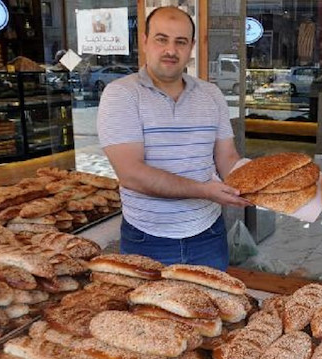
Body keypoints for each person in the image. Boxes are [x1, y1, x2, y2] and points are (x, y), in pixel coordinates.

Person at [96, 6, 250, 271]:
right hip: (148, 239)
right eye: (161, 39)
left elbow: (228, 159)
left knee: (213, 311)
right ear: (144, 41)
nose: (171, 50)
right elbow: (131, 174)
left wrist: (270, 182)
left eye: (180, 42)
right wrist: (204, 191)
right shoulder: (121, 94)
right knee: (150, 314)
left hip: (208, 235)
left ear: (191, 46)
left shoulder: (211, 94)